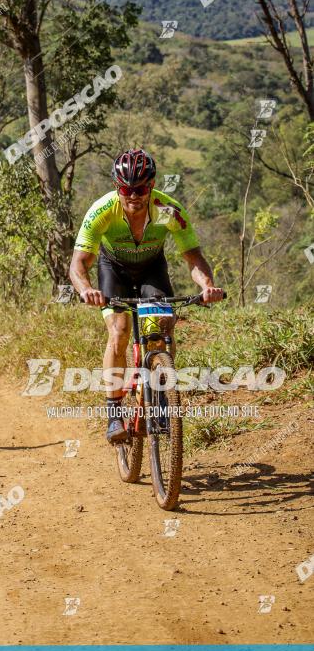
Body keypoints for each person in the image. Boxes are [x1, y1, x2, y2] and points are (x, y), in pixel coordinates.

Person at [69, 148, 224, 444]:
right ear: (118, 187)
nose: (133, 196)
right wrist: (86, 289)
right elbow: (78, 264)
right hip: (113, 269)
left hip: (152, 268)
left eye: (139, 189)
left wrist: (207, 286)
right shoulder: (103, 210)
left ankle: (163, 394)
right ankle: (114, 412)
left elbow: (192, 257)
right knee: (120, 331)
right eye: (126, 189)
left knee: (162, 328)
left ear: (151, 186)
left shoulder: (167, 210)